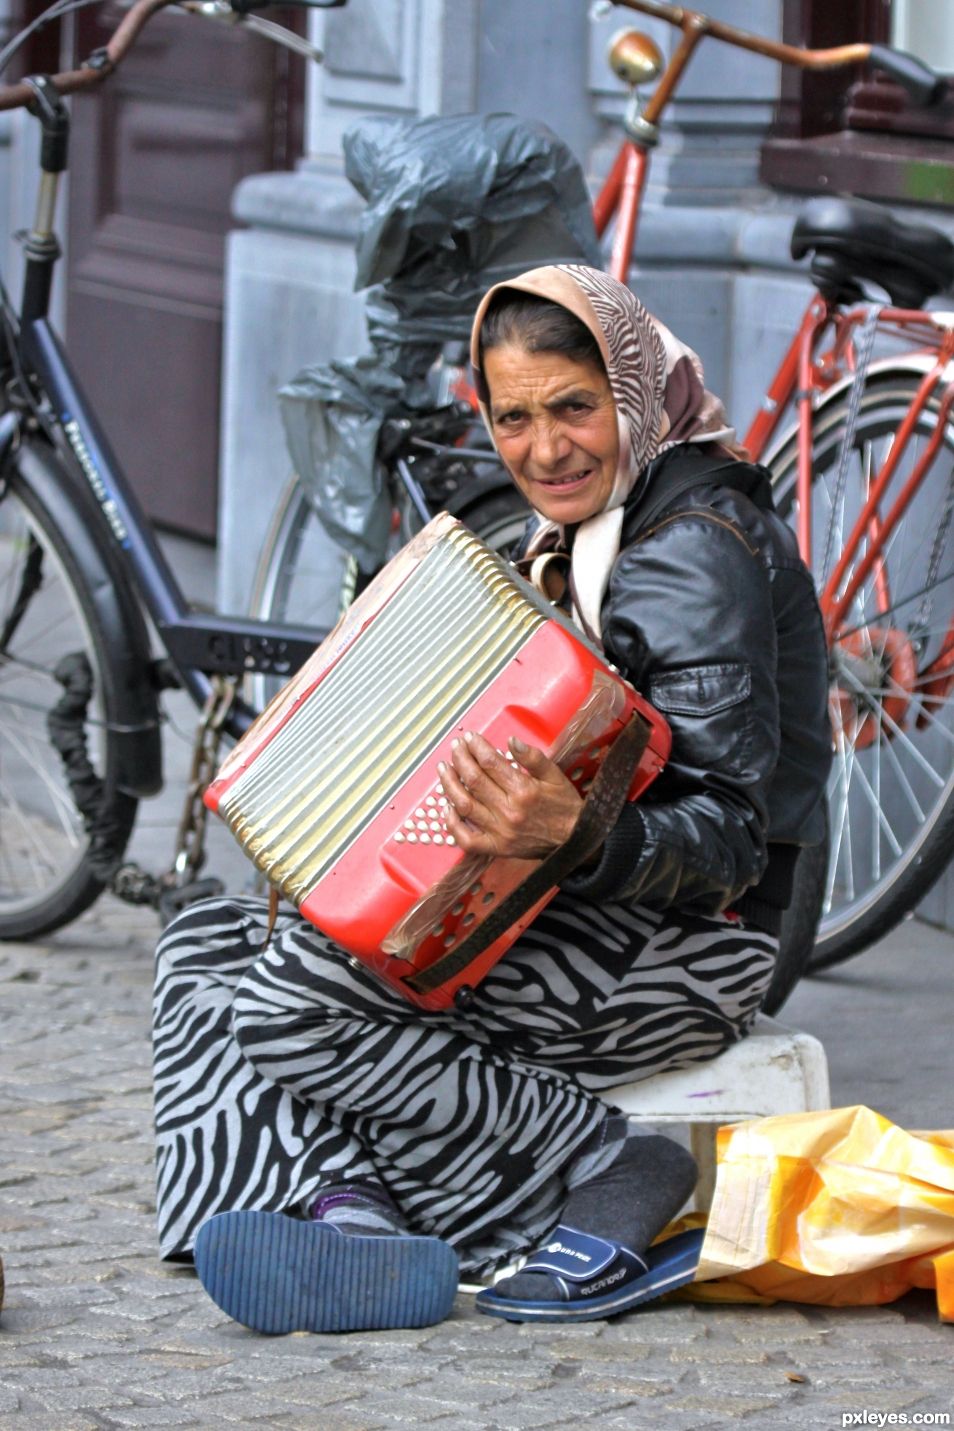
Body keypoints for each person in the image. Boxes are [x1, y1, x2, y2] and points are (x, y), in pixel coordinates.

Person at [152, 264, 830, 1334]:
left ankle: (603, 1162)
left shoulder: (692, 550)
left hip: (695, 949)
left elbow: (732, 846)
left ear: (637, 391)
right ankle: (353, 1220)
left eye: (575, 407)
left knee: (289, 1001)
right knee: (202, 945)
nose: (544, 449)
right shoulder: (578, 537)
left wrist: (580, 835)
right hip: (567, 907)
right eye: (513, 417)